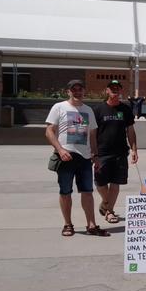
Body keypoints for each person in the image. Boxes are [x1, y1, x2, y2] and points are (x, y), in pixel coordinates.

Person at [44, 79, 109, 237]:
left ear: (83, 92)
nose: (77, 92)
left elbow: (93, 135)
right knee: (65, 191)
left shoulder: (88, 110)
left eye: (80, 89)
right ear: (68, 92)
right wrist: (60, 150)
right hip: (66, 156)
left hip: (84, 157)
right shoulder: (59, 107)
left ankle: (91, 224)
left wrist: (95, 155)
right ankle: (68, 224)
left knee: (87, 192)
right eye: (74, 90)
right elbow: (49, 131)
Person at [94, 79, 138, 225]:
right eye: (112, 88)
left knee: (115, 183)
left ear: (120, 91)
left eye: (117, 88)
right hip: (102, 153)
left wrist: (134, 149)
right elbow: (92, 133)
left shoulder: (125, 109)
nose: (115, 90)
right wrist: (93, 152)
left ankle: (109, 211)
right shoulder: (98, 110)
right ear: (107, 90)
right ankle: (106, 202)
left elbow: (130, 131)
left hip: (120, 153)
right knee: (100, 183)